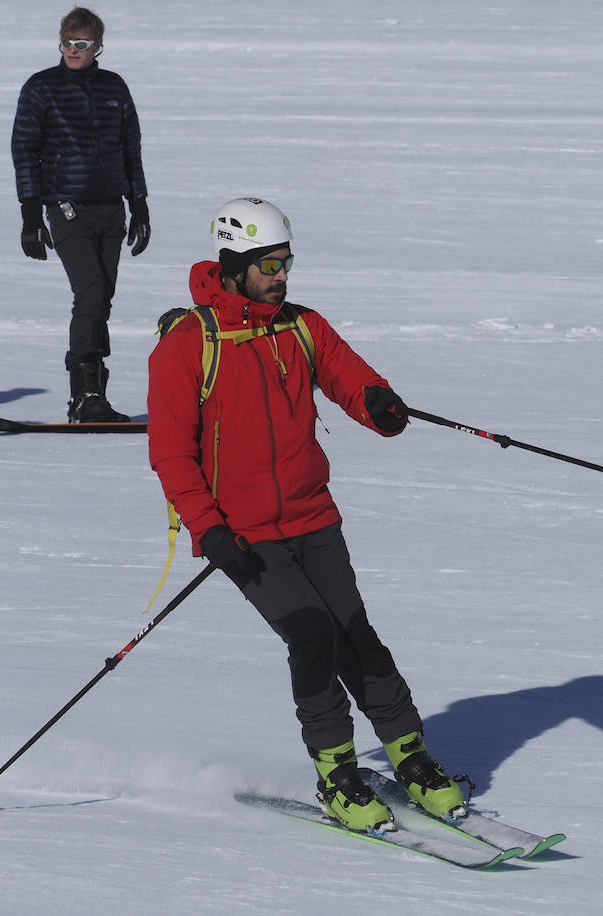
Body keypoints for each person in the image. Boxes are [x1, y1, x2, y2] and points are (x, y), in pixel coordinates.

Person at [147, 198, 465, 835]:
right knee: (313, 635)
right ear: (233, 266)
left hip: (314, 518)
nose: (282, 275)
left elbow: (351, 379)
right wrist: (210, 529)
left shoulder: (301, 326)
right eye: (269, 264)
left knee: (356, 633)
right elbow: (171, 455)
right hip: (244, 535)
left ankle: (412, 758)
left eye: (287, 262)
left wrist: (379, 404)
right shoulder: (187, 346)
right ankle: (338, 774)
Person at [11, 6, 148, 422]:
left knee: (101, 298)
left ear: (98, 46)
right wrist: (31, 216)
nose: (73, 50)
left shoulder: (114, 87)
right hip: (67, 209)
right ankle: (84, 395)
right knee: (89, 292)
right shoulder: (41, 88)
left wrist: (139, 205)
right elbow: (24, 150)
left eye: (82, 43)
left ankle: (94, 397)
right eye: (67, 43)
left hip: (111, 209)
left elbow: (131, 148)